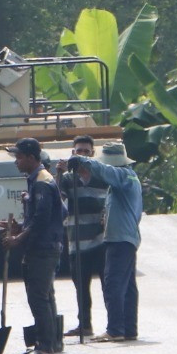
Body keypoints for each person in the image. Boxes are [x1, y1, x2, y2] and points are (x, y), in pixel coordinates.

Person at [70, 142, 144, 342]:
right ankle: (128, 328)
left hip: (120, 238)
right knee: (127, 286)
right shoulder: (126, 179)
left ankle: (115, 329)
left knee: (113, 283)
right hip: (125, 237)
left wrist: (82, 160)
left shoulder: (122, 175)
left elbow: (104, 170)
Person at [1, 136, 64, 354]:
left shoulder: (41, 182)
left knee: (39, 298)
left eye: (18, 157)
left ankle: (46, 347)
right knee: (42, 296)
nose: (16, 161)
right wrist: (19, 227)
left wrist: (18, 238)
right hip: (41, 245)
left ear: (30, 157)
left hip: (43, 248)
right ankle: (47, 343)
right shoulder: (36, 179)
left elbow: (42, 220)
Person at [57, 134, 106, 337]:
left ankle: (114, 325)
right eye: (79, 151)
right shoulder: (68, 179)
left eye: (87, 151)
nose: (83, 155)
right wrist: (58, 174)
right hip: (76, 242)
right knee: (81, 288)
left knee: (107, 285)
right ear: (73, 153)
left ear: (93, 154)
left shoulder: (103, 177)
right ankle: (84, 325)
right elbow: (58, 201)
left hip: (101, 241)